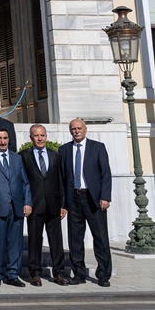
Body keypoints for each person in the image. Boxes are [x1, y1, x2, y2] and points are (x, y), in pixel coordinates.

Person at [60, 119, 113, 287]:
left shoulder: (98, 147)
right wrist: (63, 204)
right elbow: (62, 179)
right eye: (73, 129)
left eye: (79, 128)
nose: (76, 131)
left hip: (93, 198)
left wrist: (105, 197)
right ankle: (79, 274)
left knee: (100, 238)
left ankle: (103, 274)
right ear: (70, 131)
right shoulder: (64, 150)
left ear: (85, 129)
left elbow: (106, 174)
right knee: (75, 239)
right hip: (73, 198)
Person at [21, 124, 68, 286]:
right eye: (36, 135)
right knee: (34, 240)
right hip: (34, 204)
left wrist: (63, 204)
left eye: (42, 135)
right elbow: (23, 181)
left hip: (54, 204)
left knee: (56, 241)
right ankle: (34, 273)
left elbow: (61, 180)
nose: (40, 138)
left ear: (46, 137)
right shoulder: (24, 156)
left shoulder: (56, 156)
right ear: (31, 138)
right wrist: (26, 203)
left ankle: (59, 273)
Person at [0, 126, 31, 288]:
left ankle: (13, 274)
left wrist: (27, 202)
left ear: (9, 139)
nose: (2, 141)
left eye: (5, 138)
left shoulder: (17, 158)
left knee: (15, 243)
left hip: (17, 206)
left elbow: (25, 182)